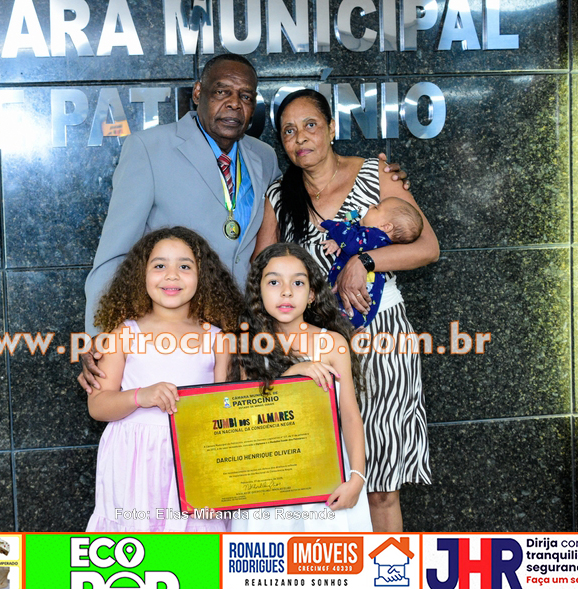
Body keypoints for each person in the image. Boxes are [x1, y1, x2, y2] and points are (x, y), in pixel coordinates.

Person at [78, 54, 406, 393]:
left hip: (248, 337)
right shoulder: (148, 148)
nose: (234, 104)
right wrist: (99, 336)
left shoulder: (263, 155)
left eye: (245, 96)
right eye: (222, 92)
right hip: (174, 337)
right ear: (198, 92)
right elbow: (114, 254)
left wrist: (388, 181)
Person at [253, 88, 439, 532]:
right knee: (326, 478)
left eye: (310, 125)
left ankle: (388, 573)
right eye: (289, 131)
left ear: (332, 127)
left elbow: (428, 247)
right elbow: (262, 268)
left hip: (382, 335)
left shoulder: (377, 174)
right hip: (315, 344)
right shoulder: (279, 196)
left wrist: (365, 261)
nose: (301, 138)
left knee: (382, 483)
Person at [85, 227, 243, 532]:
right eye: (159, 265)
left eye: (185, 266)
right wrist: (139, 396)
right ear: (140, 276)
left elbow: (225, 406)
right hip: (133, 461)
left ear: (202, 276)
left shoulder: (218, 339)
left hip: (194, 458)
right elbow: (98, 406)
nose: (172, 275)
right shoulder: (123, 334)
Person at [228, 242, 372, 532]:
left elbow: (349, 414)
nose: (286, 292)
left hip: (326, 472)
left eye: (297, 282)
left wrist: (357, 478)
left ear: (312, 294)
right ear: (258, 292)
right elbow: (246, 416)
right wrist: (293, 373)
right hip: (269, 473)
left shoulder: (332, 343)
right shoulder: (249, 346)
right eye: (274, 282)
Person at [318, 196, 423, 329]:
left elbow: (350, 243)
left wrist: (330, 225)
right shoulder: (373, 238)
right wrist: (337, 241)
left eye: (376, 208)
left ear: (386, 227)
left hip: (354, 304)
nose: (370, 206)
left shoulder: (375, 236)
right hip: (353, 302)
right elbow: (351, 234)